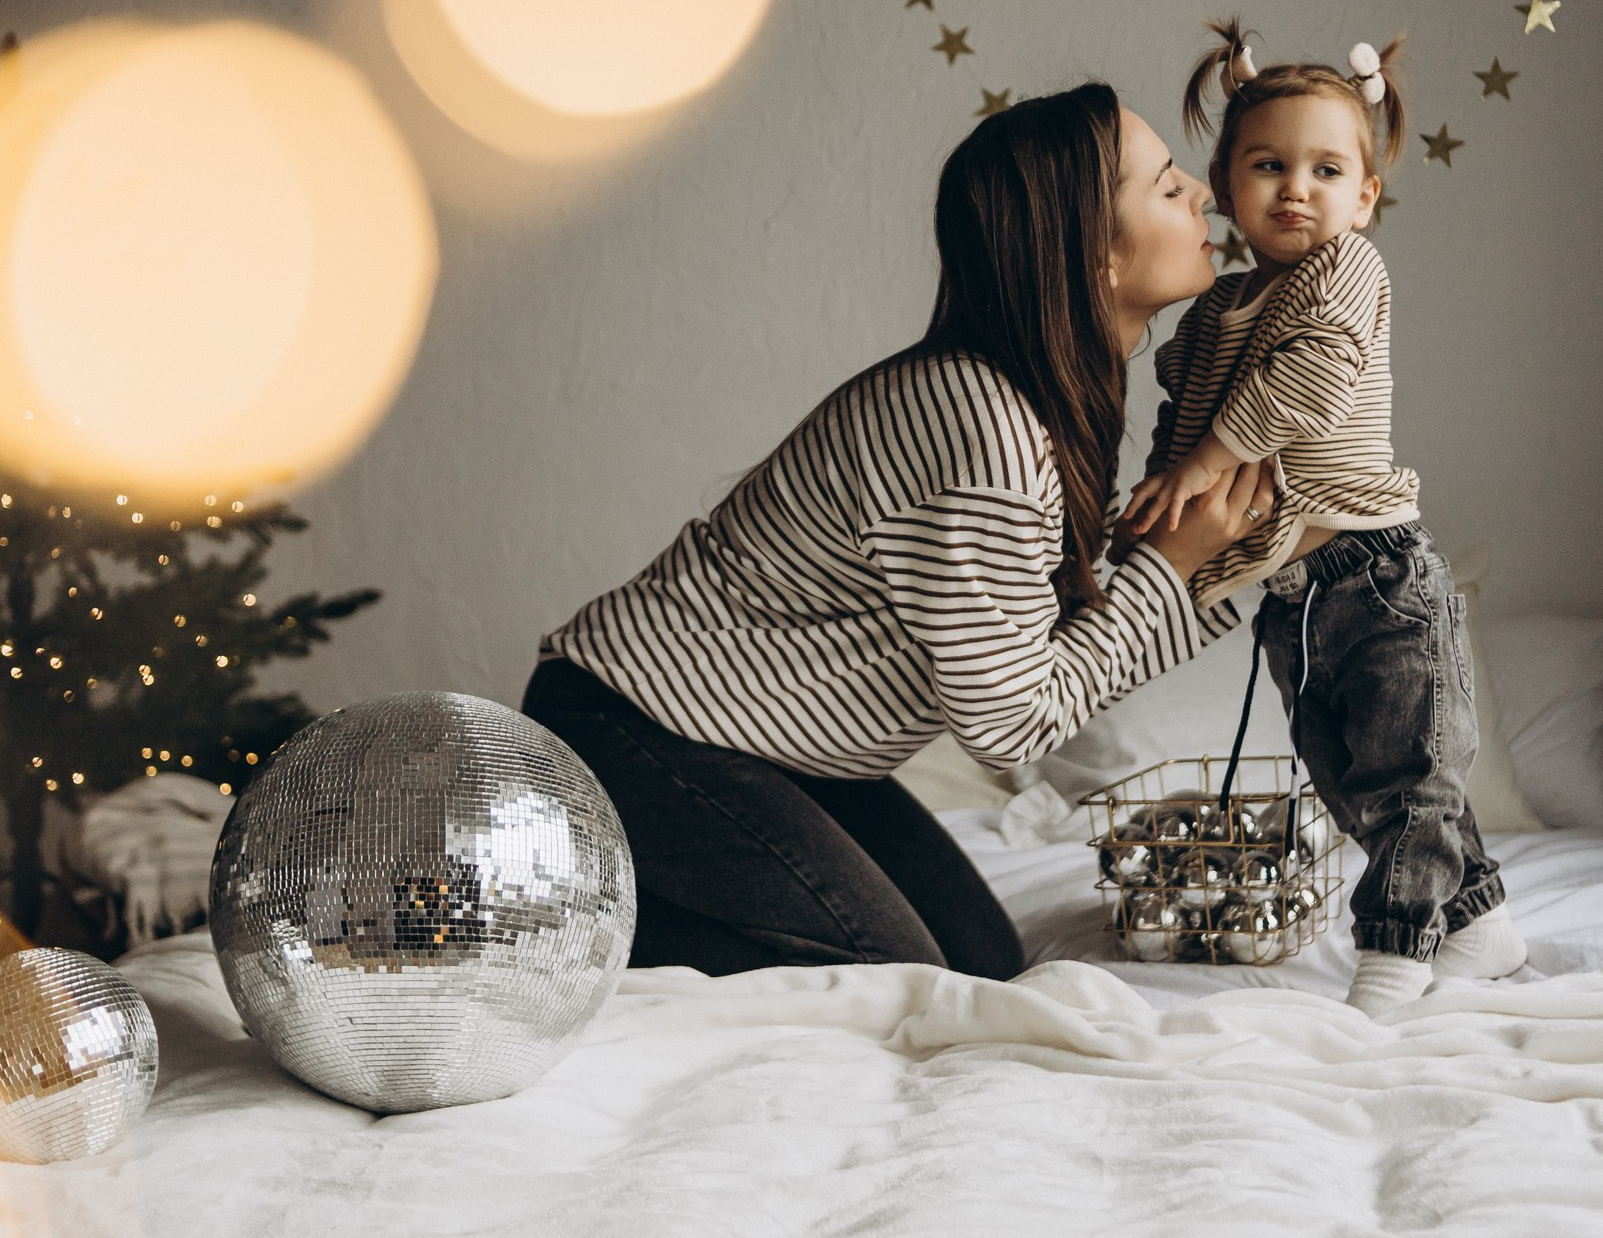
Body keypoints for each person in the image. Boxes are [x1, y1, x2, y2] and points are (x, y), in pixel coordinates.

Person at [524, 83, 1274, 979]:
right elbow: (1009, 727)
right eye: (1164, 186)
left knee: (983, 965)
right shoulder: (980, 420)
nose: (1200, 191)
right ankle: (539, 933)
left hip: (775, 747)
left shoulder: (1037, 407)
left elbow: (1040, 663)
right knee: (895, 974)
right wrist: (1168, 571)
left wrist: (1205, 570)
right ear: (1096, 257)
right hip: (640, 729)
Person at [1121, 19, 1525, 1015]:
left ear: (1365, 195)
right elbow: (1190, 421)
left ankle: (1393, 950)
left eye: (1326, 169)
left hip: (1378, 573)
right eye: (1268, 165)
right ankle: (1481, 922)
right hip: (1294, 593)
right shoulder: (1216, 311)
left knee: (1413, 773)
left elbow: (1308, 382)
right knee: (1350, 777)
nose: (1296, 188)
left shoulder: (1346, 273)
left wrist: (1215, 455)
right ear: (1226, 185)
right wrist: (1160, 494)